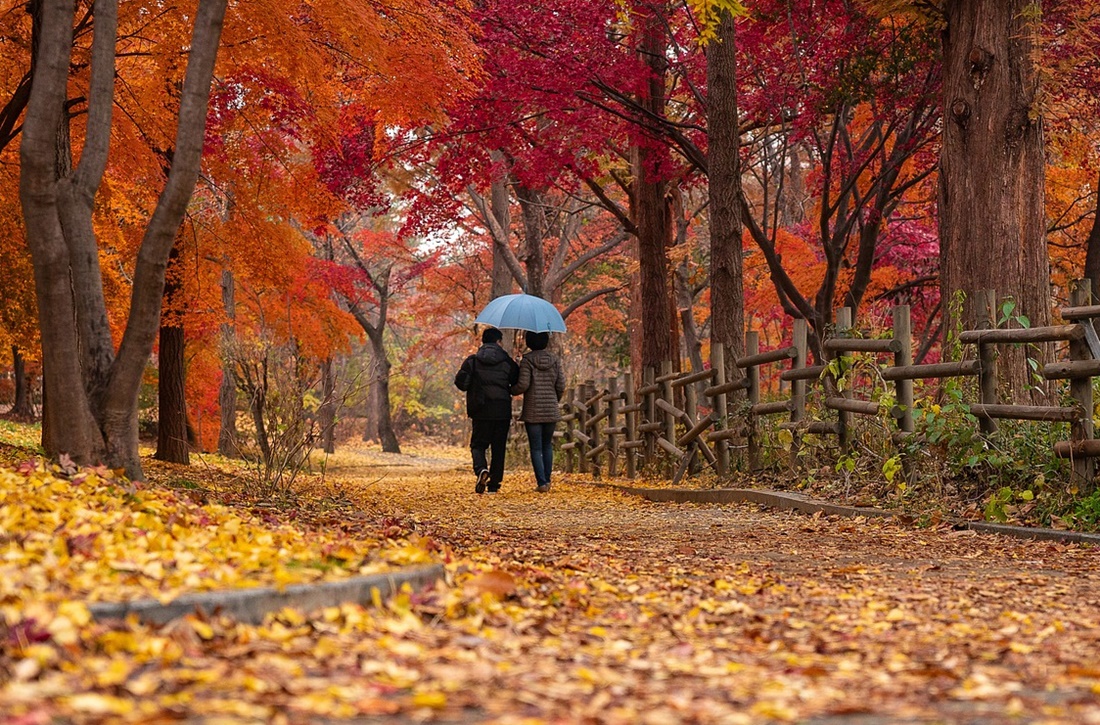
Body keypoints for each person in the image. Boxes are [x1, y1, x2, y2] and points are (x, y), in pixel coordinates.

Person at [454, 327, 519, 494]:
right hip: (501, 410)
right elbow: (516, 381)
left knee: (478, 445)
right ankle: (494, 484)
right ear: (498, 341)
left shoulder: (473, 361)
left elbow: (461, 383)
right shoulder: (507, 362)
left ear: (483, 341)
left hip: (480, 409)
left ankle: (481, 469)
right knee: (498, 448)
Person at [511, 330, 565, 493]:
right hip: (550, 409)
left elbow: (523, 385)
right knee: (547, 445)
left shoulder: (527, 360)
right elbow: (561, 385)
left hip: (533, 410)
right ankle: (547, 481)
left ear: (529, 342)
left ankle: (541, 483)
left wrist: (511, 389)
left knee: (536, 447)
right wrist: (554, 400)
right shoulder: (555, 360)